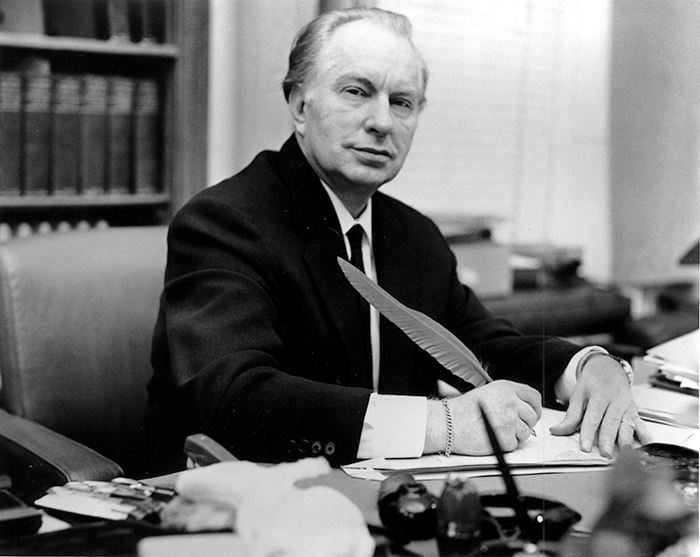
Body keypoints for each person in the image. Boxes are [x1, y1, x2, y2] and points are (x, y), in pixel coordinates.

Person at [143, 7, 650, 474]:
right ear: (300, 104)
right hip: (239, 501)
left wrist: (587, 366)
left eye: (402, 102)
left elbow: (484, 345)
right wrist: (443, 424)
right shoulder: (224, 221)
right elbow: (236, 398)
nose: (382, 122)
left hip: (382, 494)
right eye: (357, 91)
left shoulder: (414, 236)